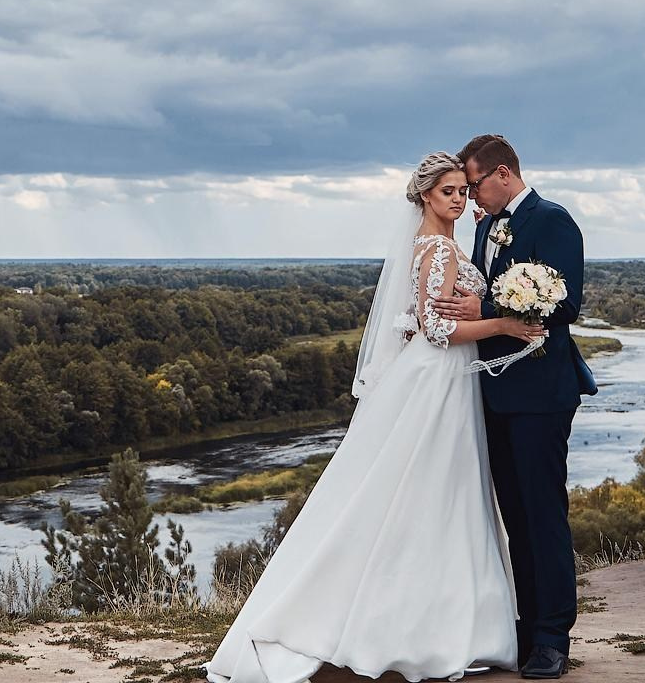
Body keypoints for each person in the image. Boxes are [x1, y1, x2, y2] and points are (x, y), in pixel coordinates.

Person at [206, 154, 543, 683]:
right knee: (428, 494)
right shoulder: (436, 247)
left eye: (462, 190)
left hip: (442, 381)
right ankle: (417, 629)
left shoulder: (437, 244)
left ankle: (438, 622)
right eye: (448, 191)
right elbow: (437, 330)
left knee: (436, 495)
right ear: (425, 197)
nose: (458, 198)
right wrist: (506, 322)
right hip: (437, 382)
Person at [436, 133, 592, 680]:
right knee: (513, 516)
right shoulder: (484, 227)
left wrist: (492, 303)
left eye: (475, 185)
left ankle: (552, 637)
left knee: (542, 514)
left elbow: (567, 301)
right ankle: (524, 629)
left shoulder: (553, 221)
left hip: (541, 394)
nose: (472, 199)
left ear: (503, 173)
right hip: (493, 393)